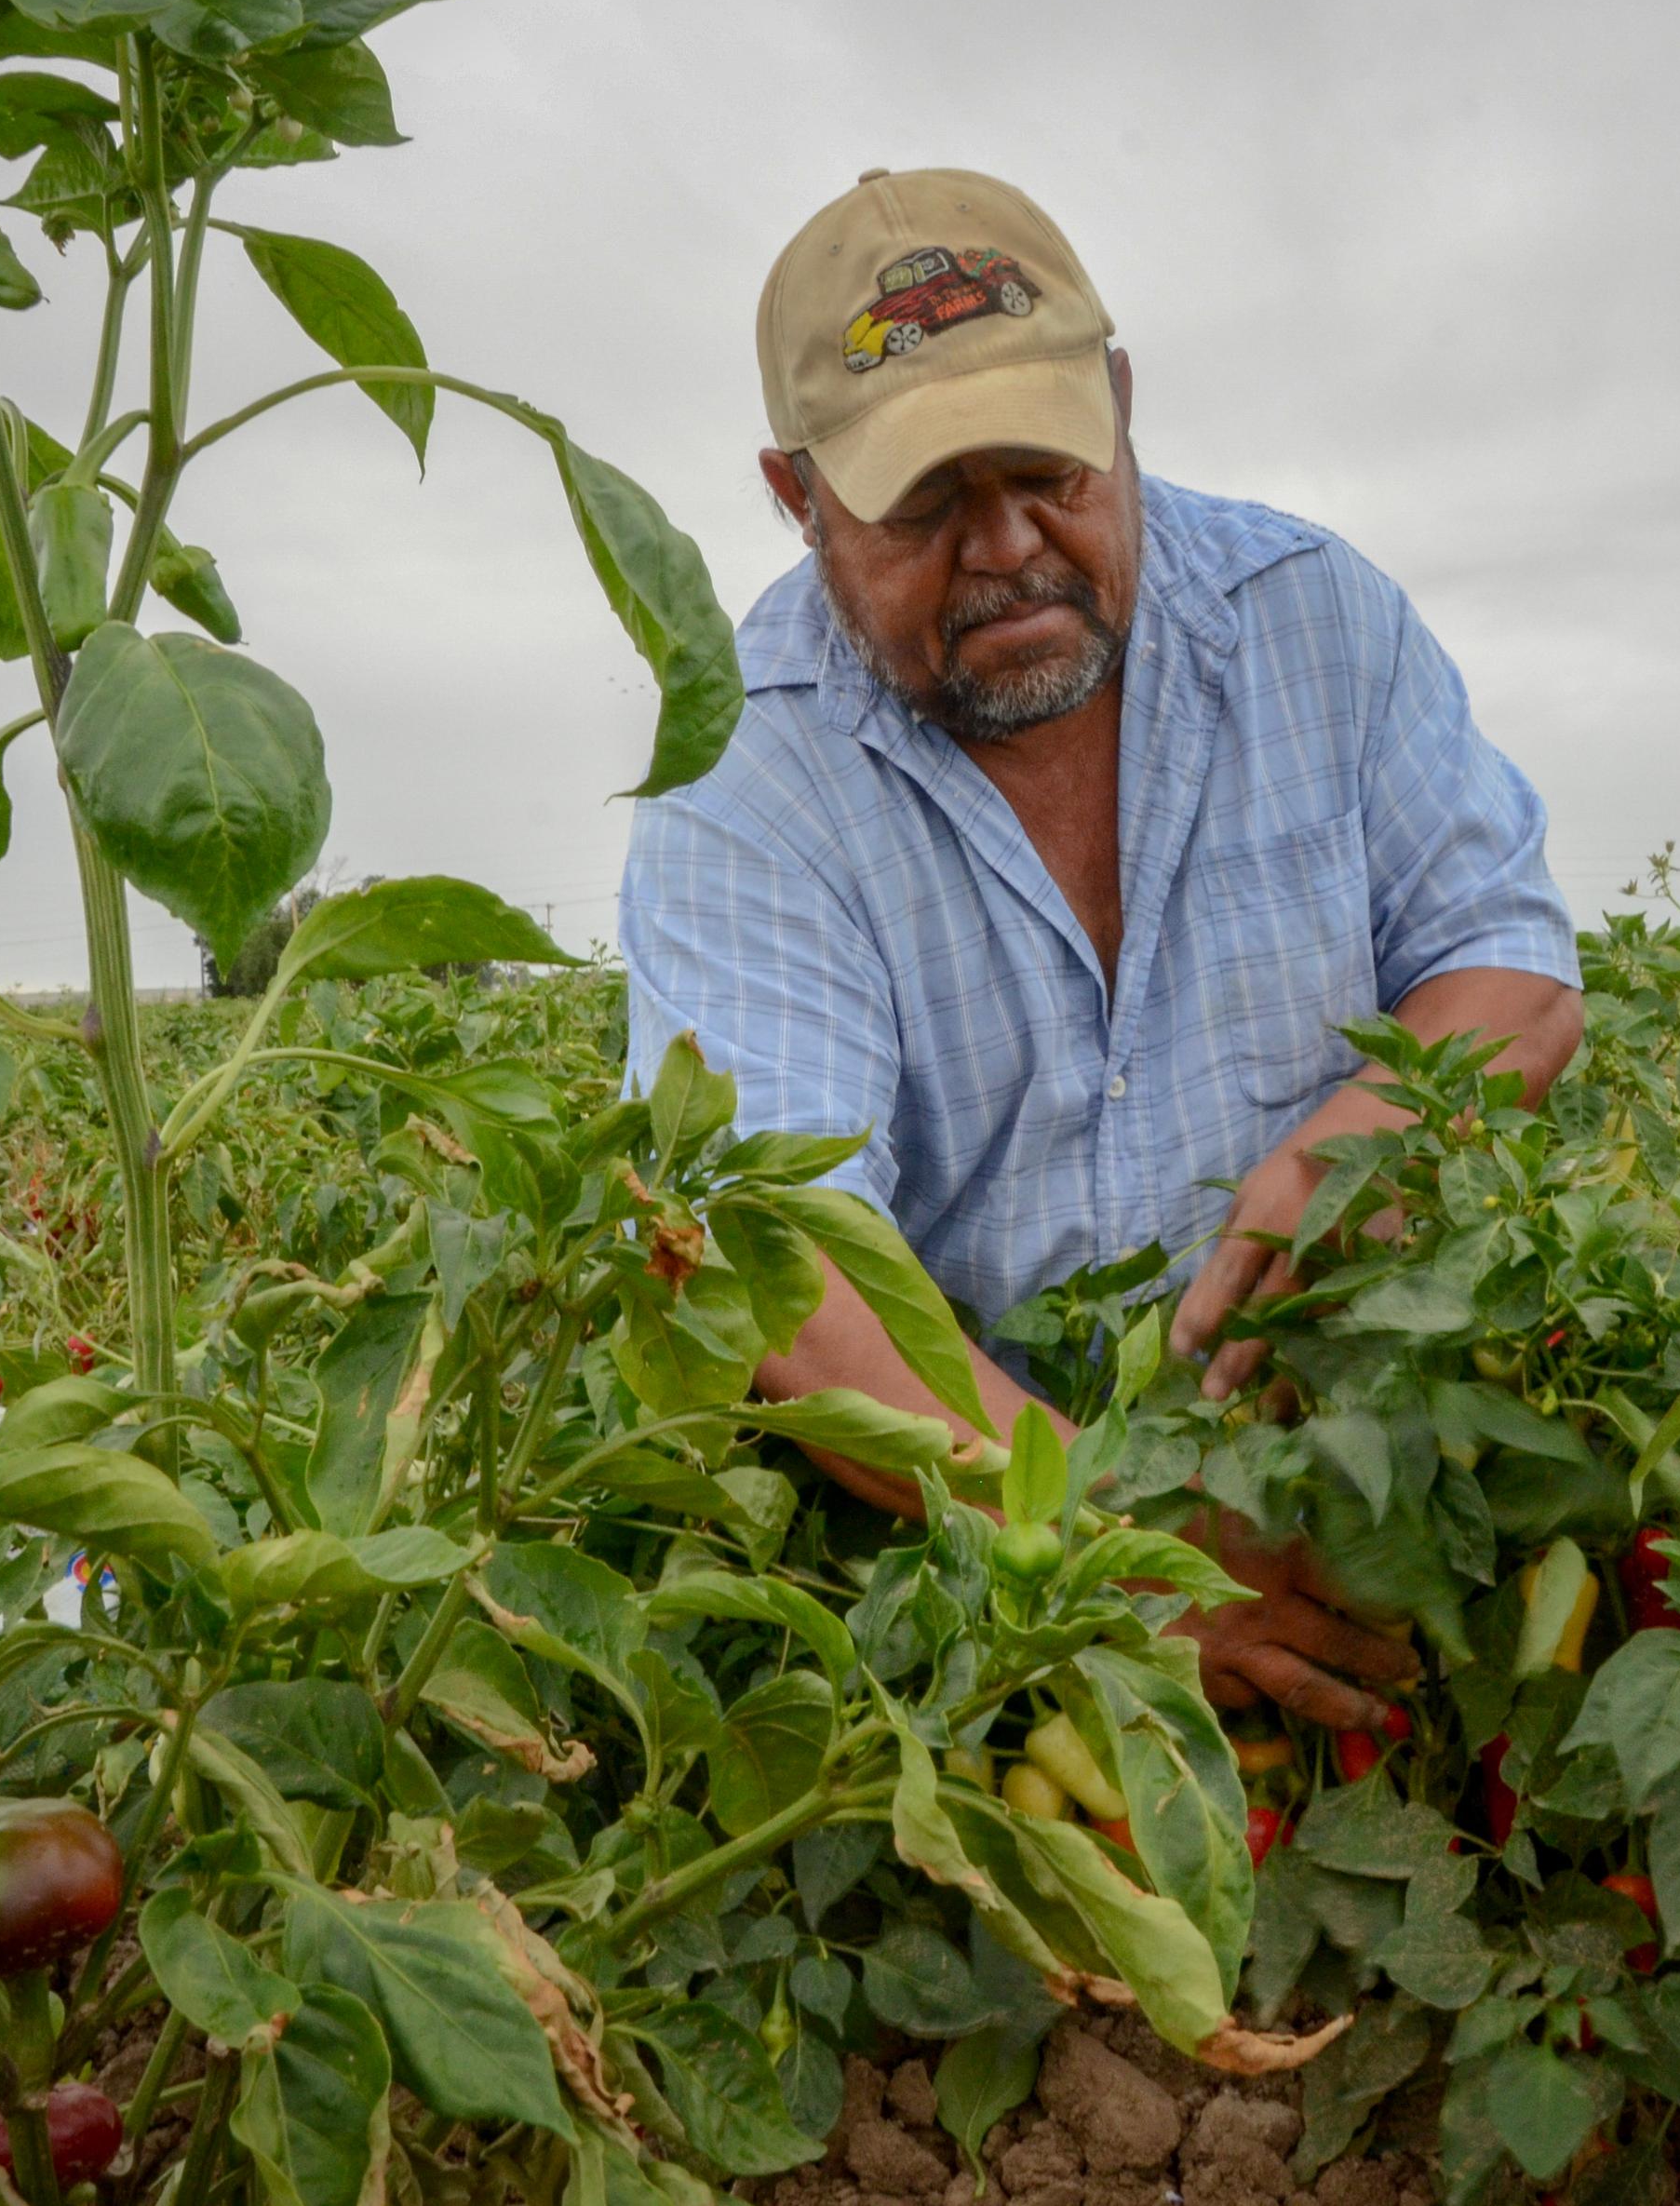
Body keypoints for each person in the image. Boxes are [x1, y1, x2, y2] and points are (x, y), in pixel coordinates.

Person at [618, 168, 1581, 1733]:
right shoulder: (749, 784)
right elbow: (777, 1267)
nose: (1007, 547)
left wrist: (1379, 1133)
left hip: (1352, 1479)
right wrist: (1107, 1562)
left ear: (1122, 404)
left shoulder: (1313, 623)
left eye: (1052, 468)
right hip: (972, 1583)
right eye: (924, 505)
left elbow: (1512, 968)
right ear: (799, 502)